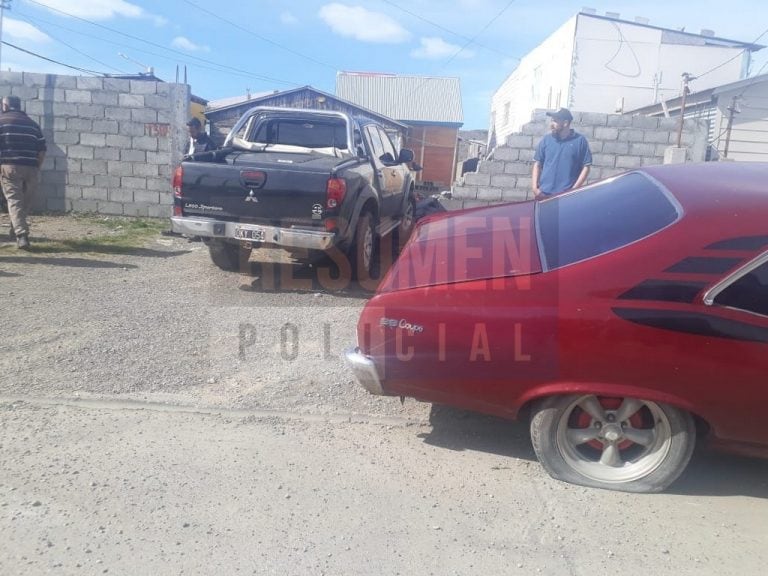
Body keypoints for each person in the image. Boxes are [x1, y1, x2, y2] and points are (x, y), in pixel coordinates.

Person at [0, 95, 46, 249]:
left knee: (14, 201)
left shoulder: (1, 121)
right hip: (31, 167)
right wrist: (36, 167)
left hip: (9, 167)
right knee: (25, 202)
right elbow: (41, 150)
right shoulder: (33, 124)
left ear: (5, 106)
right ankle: (16, 230)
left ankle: (21, 235)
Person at [532, 108, 592, 199]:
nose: (551, 124)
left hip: (566, 197)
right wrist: (535, 189)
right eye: (551, 120)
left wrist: (574, 190)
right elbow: (537, 164)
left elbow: (586, 167)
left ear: (565, 123)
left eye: (555, 121)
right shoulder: (546, 140)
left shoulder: (580, 141)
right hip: (543, 195)